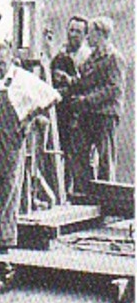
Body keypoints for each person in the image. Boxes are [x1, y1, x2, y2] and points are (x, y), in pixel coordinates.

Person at [0, 42, 60, 255]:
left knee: (5, 189)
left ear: (9, 63)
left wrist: (28, 120)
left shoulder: (20, 79)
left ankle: (2, 240)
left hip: (7, 143)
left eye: (1, 64)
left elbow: (52, 96)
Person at [63, 16, 123, 194]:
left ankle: (107, 197)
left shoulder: (114, 58)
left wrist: (86, 100)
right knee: (80, 154)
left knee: (105, 158)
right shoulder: (92, 57)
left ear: (102, 34)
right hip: (89, 114)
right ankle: (84, 193)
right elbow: (84, 80)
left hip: (105, 115)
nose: (87, 37)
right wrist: (70, 82)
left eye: (90, 33)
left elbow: (113, 89)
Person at [48, 14, 89, 182]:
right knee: (59, 146)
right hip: (59, 108)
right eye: (71, 30)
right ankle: (59, 184)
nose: (73, 34)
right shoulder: (61, 52)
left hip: (77, 110)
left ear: (85, 35)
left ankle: (73, 187)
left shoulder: (86, 57)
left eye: (78, 32)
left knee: (75, 151)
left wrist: (68, 80)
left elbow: (87, 84)